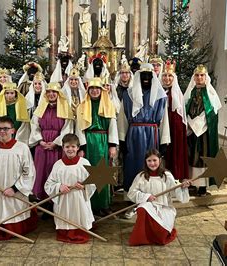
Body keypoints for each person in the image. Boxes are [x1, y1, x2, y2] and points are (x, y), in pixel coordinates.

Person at [0, 116, 37, 240]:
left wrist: (15, 189)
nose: (2, 132)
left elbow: (29, 172)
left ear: (13, 130)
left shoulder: (22, 148)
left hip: (15, 193)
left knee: (14, 213)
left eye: (6, 128)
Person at [118, 63, 170, 193]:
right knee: (133, 164)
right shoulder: (128, 95)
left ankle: (151, 194)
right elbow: (122, 118)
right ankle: (133, 196)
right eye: (143, 75)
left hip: (152, 134)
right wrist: (122, 139)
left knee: (151, 165)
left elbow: (164, 120)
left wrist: (164, 141)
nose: (146, 78)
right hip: (134, 135)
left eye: (148, 75)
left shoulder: (160, 96)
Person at [127, 149, 190, 246]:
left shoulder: (167, 176)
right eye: (149, 161)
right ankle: (142, 238)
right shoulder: (141, 176)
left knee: (161, 235)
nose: (152, 163)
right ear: (145, 161)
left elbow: (175, 191)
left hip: (164, 207)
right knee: (142, 209)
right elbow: (131, 193)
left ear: (160, 160)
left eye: (154, 160)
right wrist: (147, 196)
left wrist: (182, 186)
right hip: (148, 206)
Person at [76, 77, 118, 216]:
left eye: (97, 88)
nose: (94, 91)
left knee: (102, 172)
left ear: (101, 90)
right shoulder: (82, 106)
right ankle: (90, 204)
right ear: (88, 90)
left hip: (103, 141)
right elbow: (79, 128)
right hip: (88, 142)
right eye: (92, 89)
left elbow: (112, 126)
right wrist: (81, 147)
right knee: (88, 173)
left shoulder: (108, 105)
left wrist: (112, 145)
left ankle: (103, 204)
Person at [44, 134, 96, 244]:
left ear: (78, 148)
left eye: (73, 146)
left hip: (79, 199)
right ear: (63, 148)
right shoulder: (58, 165)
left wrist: (84, 186)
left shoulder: (84, 163)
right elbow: (48, 184)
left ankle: (80, 232)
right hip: (63, 199)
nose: (70, 149)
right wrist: (59, 187)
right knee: (65, 215)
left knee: (79, 215)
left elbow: (93, 182)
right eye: (67, 147)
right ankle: (65, 232)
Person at [29, 82, 73, 201]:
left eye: (54, 92)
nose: (51, 94)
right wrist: (40, 141)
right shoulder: (40, 109)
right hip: (42, 147)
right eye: (49, 92)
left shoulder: (65, 109)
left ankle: (55, 201)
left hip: (58, 147)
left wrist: (56, 143)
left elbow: (67, 128)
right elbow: (34, 126)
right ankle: (43, 201)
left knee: (55, 173)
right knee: (41, 173)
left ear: (59, 94)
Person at [184, 65, 221, 196]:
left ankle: (202, 186)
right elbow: (184, 109)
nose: (199, 78)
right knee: (190, 156)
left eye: (202, 75)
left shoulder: (210, 94)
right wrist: (189, 123)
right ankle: (192, 183)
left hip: (204, 132)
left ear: (206, 77)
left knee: (203, 157)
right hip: (190, 132)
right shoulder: (190, 92)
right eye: (197, 75)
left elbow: (212, 113)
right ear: (193, 77)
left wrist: (198, 124)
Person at [161, 60, 189, 181]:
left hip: (174, 126)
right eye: (165, 75)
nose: (167, 78)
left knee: (175, 150)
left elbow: (181, 112)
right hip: (161, 125)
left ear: (174, 78)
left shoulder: (178, 93)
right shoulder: (158, 91)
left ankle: (176, 175)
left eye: (170, 76)